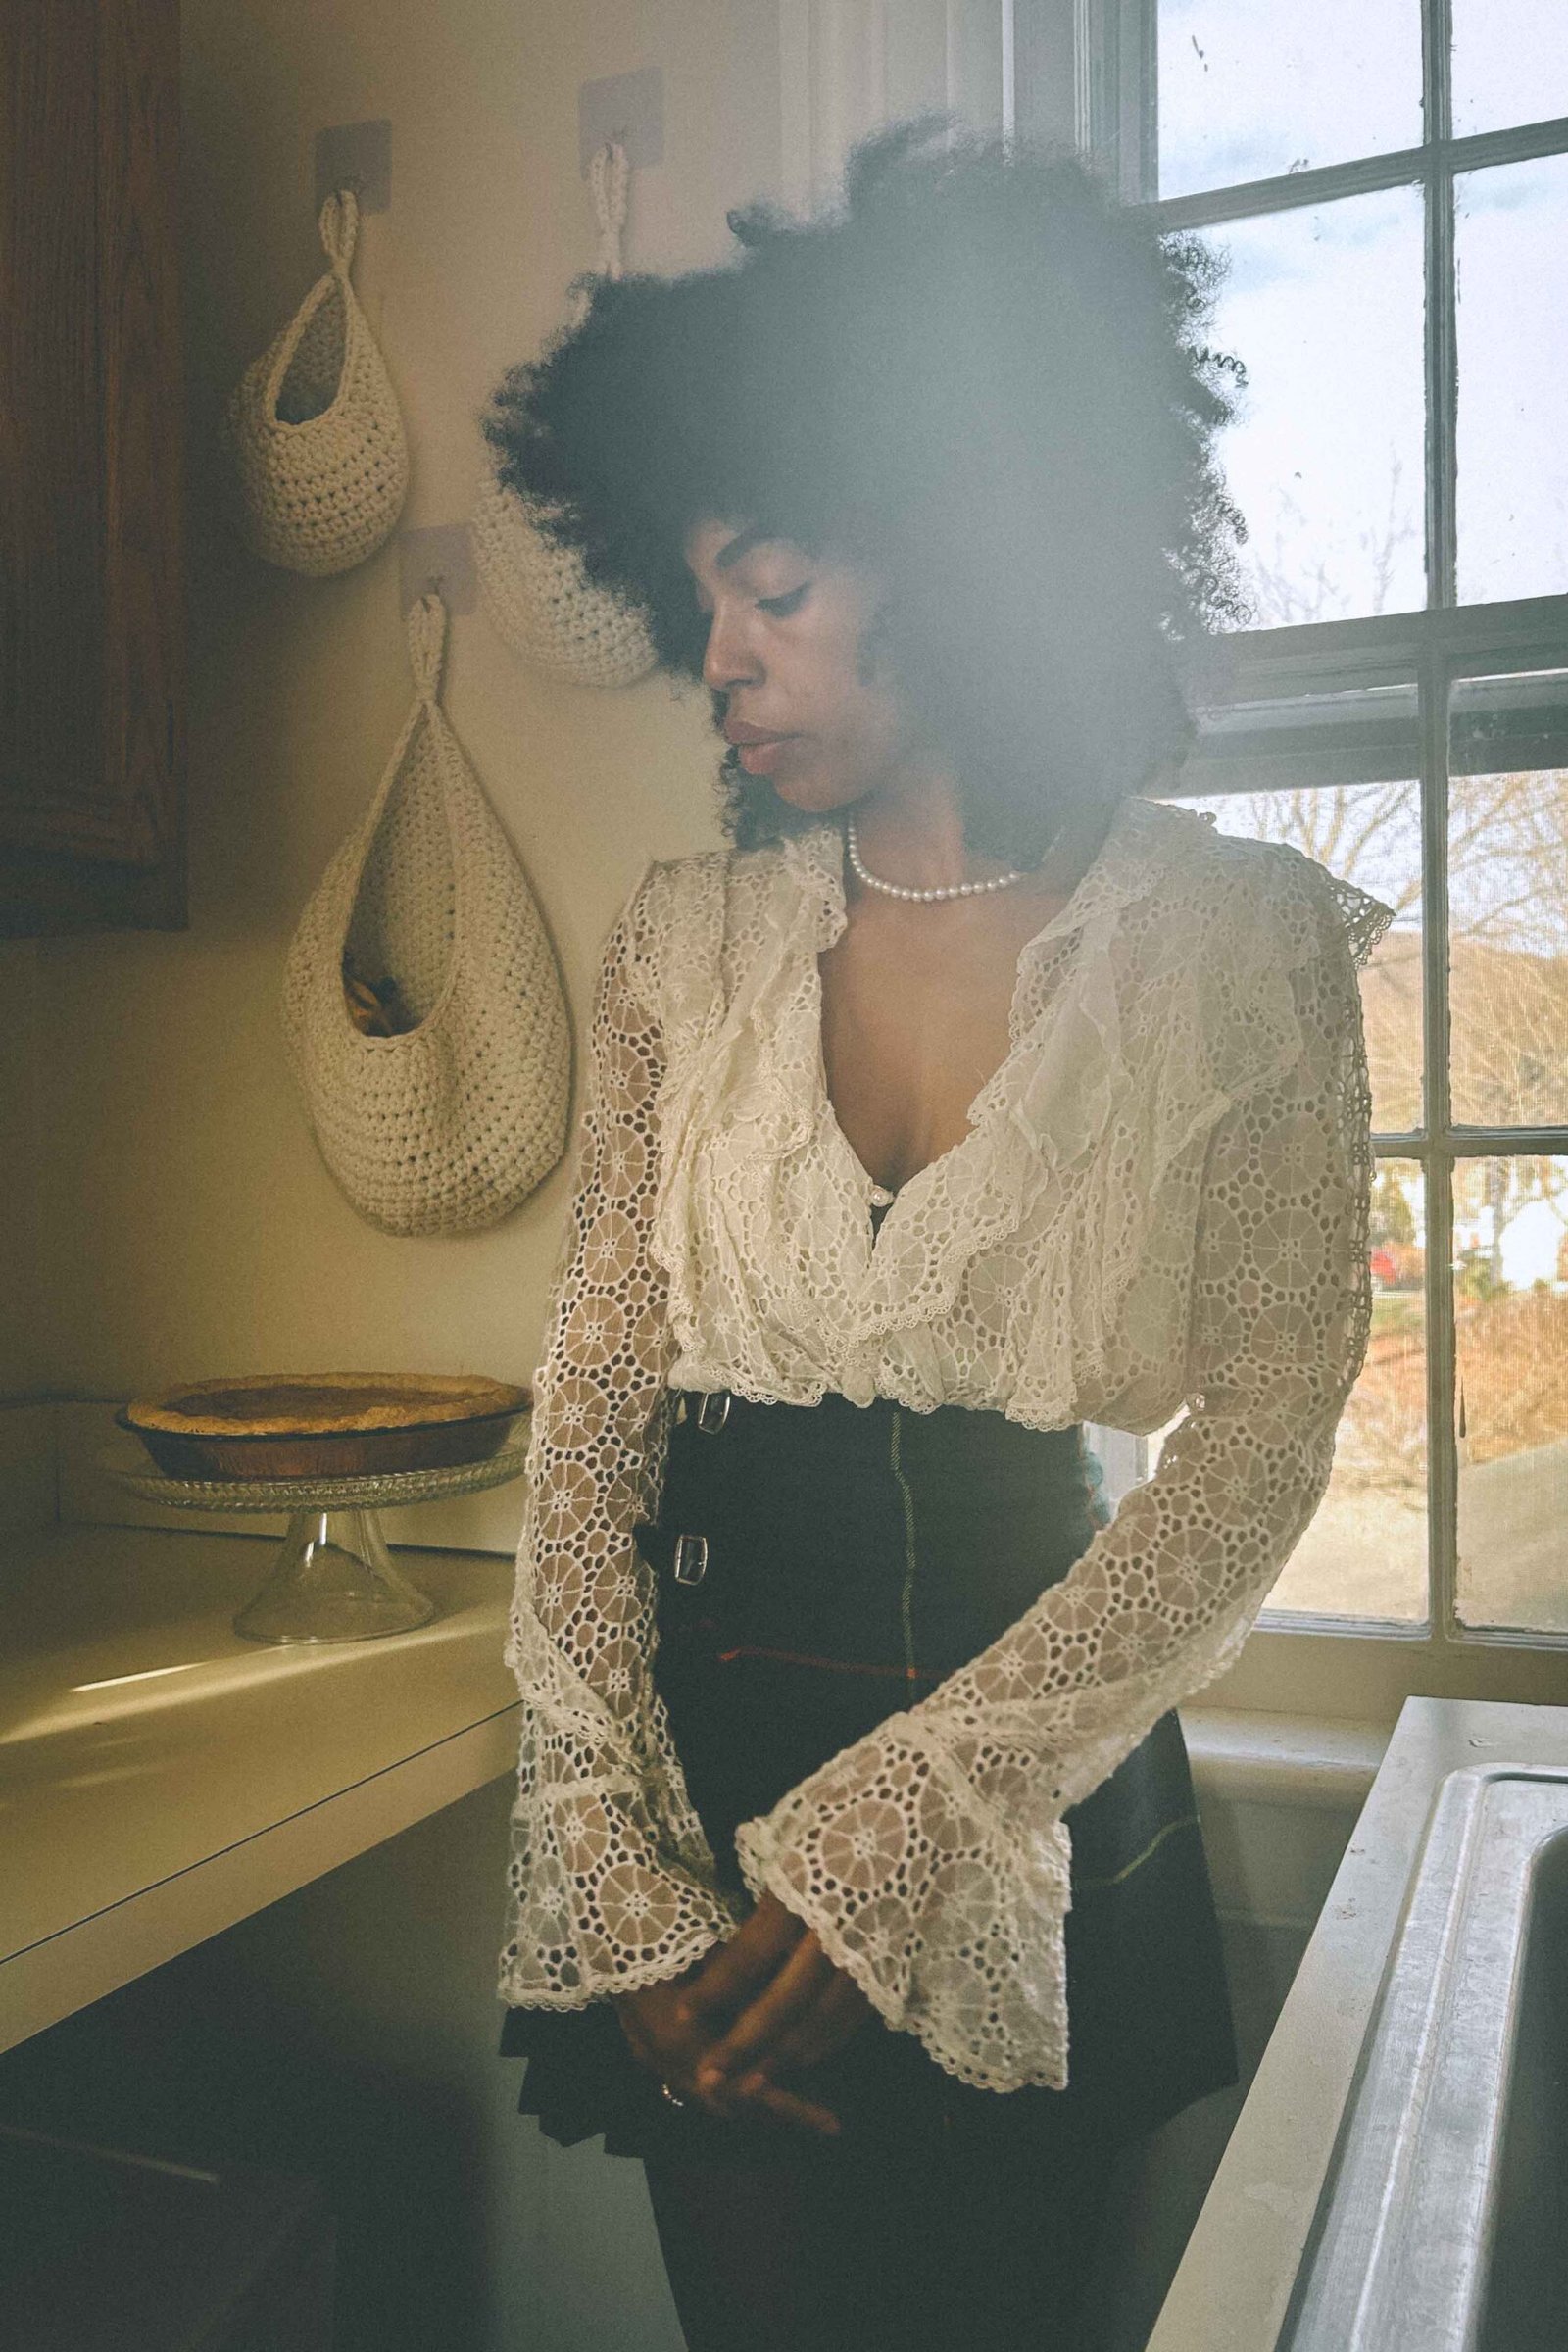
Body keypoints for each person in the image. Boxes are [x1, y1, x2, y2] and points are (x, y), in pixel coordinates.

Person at [484, 122, 1393, 2352]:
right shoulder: (683, 946)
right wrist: (599, 1826)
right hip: (699, 1760)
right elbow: (598, 1380)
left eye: (770, 595)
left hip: (1034, 1765)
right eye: (699, 601)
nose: (715, 655)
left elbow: (1269, 1430)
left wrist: (924, 1812)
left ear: (969, 555)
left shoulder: (1233, 945)